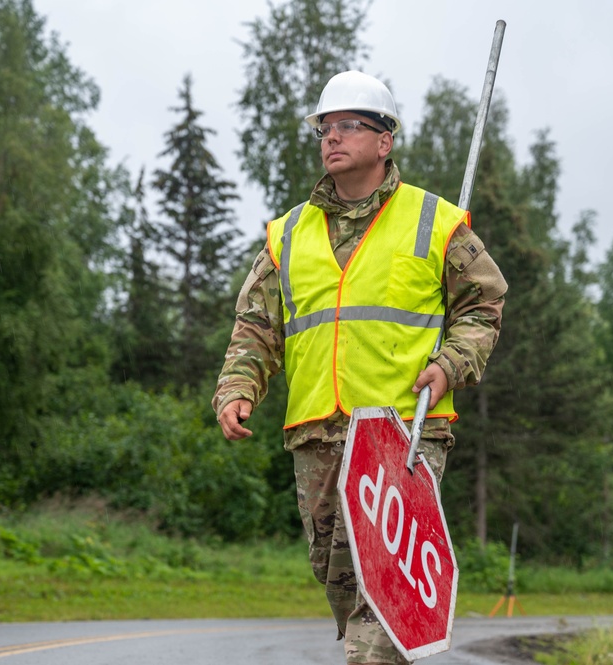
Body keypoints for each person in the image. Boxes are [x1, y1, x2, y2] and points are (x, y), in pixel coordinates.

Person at [211, 70, 508, 665]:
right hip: (317, 432)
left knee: (386, 600)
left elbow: (484, 304)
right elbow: (256, 325)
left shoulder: (435, 221)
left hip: (402, 430)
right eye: (326, 126)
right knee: (342, 585)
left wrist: (451, 364)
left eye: (350, 125)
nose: (332, 137)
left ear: (384, 140)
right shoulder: (287, 234)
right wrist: (238, 387)